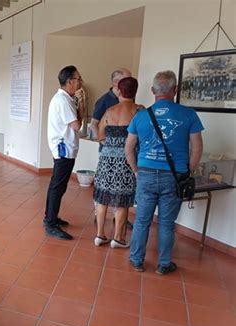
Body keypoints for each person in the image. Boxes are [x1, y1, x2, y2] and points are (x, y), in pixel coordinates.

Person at [125, 70, 204, 275]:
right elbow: (196, 148)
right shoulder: (189, 115)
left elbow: (129, 148)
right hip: (174, 176)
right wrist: (187, 173)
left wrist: (136, 170)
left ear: (152, 91)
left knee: (142, 220)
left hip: (146, 174)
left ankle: (136, 260)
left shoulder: (141, 116)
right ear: (175, 90)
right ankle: (164, 264)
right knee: (167, 223)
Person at [93, 77, 141, 249]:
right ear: (135, 91)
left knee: (102, 198)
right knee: (122, 200)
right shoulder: (139, 111)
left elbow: (100, 136)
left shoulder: (109, 111)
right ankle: (118, 238)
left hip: (106, 159)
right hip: (127, 161)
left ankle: (100, 235)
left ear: (119, 91)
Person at [43, 65, 84, 241]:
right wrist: (81, 105)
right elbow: (77, 125)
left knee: (58, 186)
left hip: (65, 148)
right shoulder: (63, 100)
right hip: (63, 148)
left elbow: (76, 121)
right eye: (78, 79)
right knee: (57, 186)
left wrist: (80, 103)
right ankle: (50, 223)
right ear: (69, 82)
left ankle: (51, 217)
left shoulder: (66, 98)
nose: (80, 82)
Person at [90, 68, 132, 140]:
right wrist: (102, 142)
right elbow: (93, 124)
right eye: (127, 81)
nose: (130, 84)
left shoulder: (130, 99)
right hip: (109, 146)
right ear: (116, 82)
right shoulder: (103, 101)